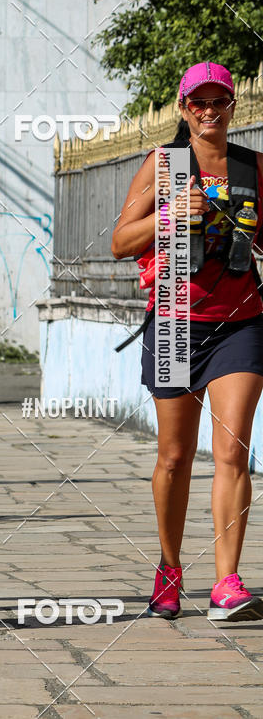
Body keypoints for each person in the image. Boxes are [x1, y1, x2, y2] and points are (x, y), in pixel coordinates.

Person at [112, 62, 263, 622]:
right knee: (174, 458)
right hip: (175, 322)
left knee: (232, 450)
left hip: (242, 323)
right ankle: (170, 569)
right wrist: (170, 214)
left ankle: (227, 582)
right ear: (182, 107)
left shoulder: (254, 168)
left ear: (233, 106)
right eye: (197, 102)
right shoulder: (164, 164)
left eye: (218, 100)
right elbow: (120, 241)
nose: (208, 111)